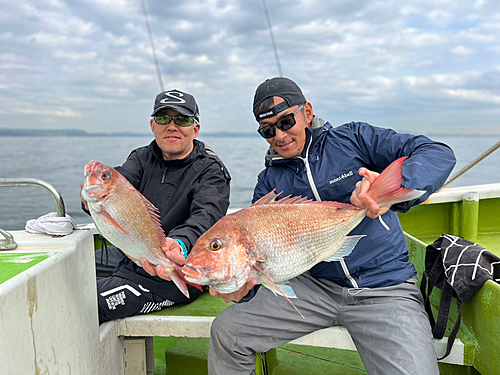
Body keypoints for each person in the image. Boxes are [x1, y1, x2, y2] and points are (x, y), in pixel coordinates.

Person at [207, 77, 456, 375]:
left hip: (384, 287)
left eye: (286, 121)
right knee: (228, 332)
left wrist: (394, 192)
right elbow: (264, 261)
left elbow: (437, 153)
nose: (280, 135)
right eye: (268, 130)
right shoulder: (268, 182)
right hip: (313, 287)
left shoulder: (354, 139)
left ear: (307, 113)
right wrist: (242, 288)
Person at [81, 89, 231, 324]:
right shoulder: (142, 157)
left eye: (182, 119)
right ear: (153, 125)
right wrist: (90, 196)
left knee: (85, 307)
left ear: (195, 129)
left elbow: (207, 216)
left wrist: (180, 244)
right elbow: (121, 180)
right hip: (133, 255)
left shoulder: (210, 170)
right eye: (163, 118)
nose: (172, 126)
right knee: (69, 278)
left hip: (176, 272)